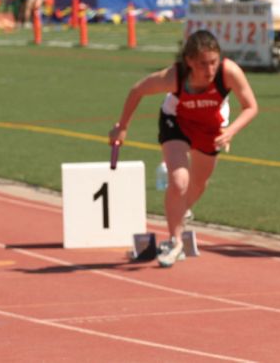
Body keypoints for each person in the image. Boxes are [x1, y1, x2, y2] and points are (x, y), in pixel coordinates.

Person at [108, 30, 258, 267]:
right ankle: (174, 241)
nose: (209, 70)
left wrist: (231, 131)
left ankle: (181, 213)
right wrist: (122, 126)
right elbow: (137, 90)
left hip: (212, 128)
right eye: (202, 64)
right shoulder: (174, 77)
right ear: (189, 61)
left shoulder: (228, 72)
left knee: (199, 183)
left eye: (213, 63)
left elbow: (251, 106)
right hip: (177, 122)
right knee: (179, 181)